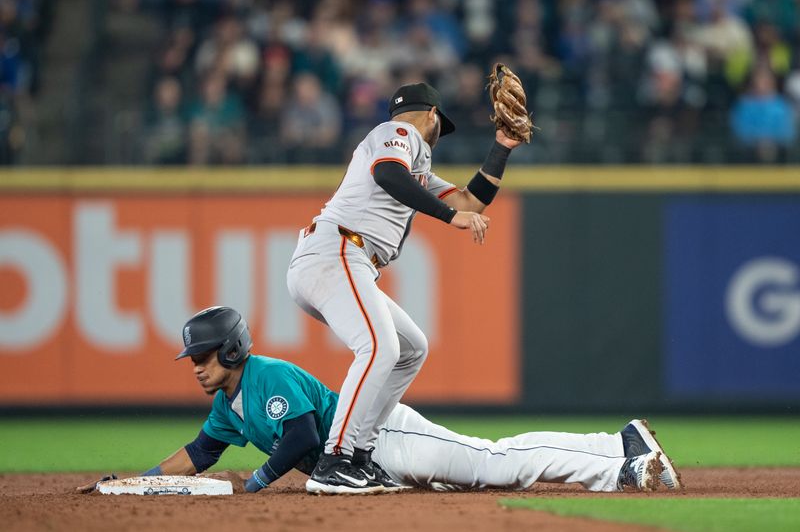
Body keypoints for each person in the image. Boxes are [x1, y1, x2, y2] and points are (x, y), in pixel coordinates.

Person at [79, 306, 682, 496]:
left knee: (497, 463)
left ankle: (620, 453)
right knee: (488, 476)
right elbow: (201, 453)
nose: (197, 370)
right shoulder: (227, 404)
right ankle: (619, 454)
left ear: (232, 352)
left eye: (204, 358)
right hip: (370, 462)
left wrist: (259, 480)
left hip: (383, 436)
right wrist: (139, 482)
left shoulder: (267, 377)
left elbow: (305, 438)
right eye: (194, 362)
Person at [286, 81, 521, 494]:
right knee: (379, 346)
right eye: (438, 125)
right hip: (336, 251)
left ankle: (360, 455)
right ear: (431, 114)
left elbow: (470, 202)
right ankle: (335, 459)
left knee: (411, 347)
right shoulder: (396, 134)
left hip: (343, 259)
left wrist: (501, 147)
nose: (436, 133)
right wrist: (449, 218)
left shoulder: (416, 166)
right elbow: (389, 174)